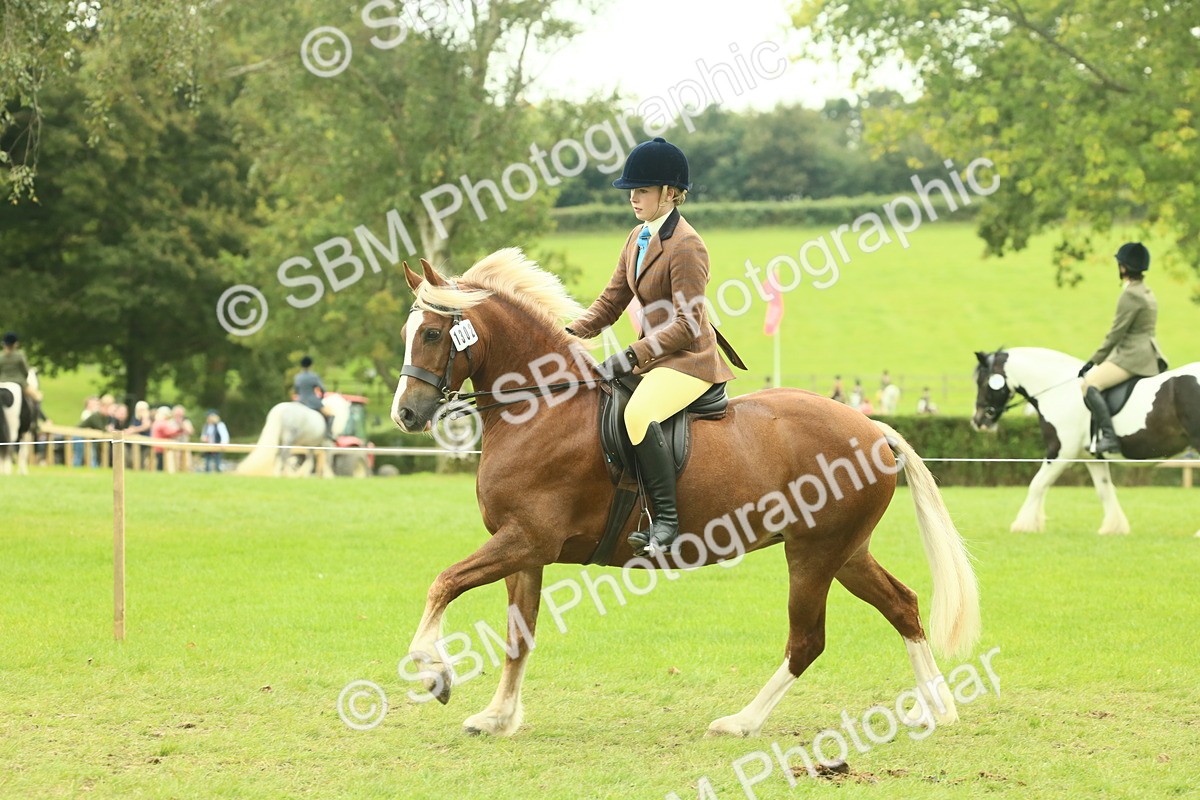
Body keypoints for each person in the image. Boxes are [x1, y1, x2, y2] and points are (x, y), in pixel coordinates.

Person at [566, 137, 743, 556]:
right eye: (631, 190)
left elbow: (687, 323)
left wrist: (633, 354)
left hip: (688, 361)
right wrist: (567, 336)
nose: (633, 197)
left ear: (669, 193)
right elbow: (611, 302)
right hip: (654, 358)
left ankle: (667, 520)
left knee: (640, 412)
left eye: (642, 190)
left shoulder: (687, 245)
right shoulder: (637, 238)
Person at [1079, 242, 1167, 455]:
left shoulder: (1130, 295)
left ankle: (1109, 438)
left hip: (1133, 356)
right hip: (1150, 352)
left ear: (1123, 268)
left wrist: (1093, 360)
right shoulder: (1146, 291)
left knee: (1089, 385)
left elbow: (1116, 333)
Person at [294, 355, 334, 440]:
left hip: (300, 401)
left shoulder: (297, 377)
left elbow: (296, 390)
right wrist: (321, 398)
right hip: (312, 401)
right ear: (310, 365)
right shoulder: (313, 376)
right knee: (330, 415)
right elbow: (322, 389)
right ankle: (328, 433)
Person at [0, 332, 41, 402]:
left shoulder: (1, 356)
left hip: (2, 382)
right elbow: (25, 371)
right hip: (19, 382)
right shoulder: (20, 355)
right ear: (15, 343)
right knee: (38, 396)